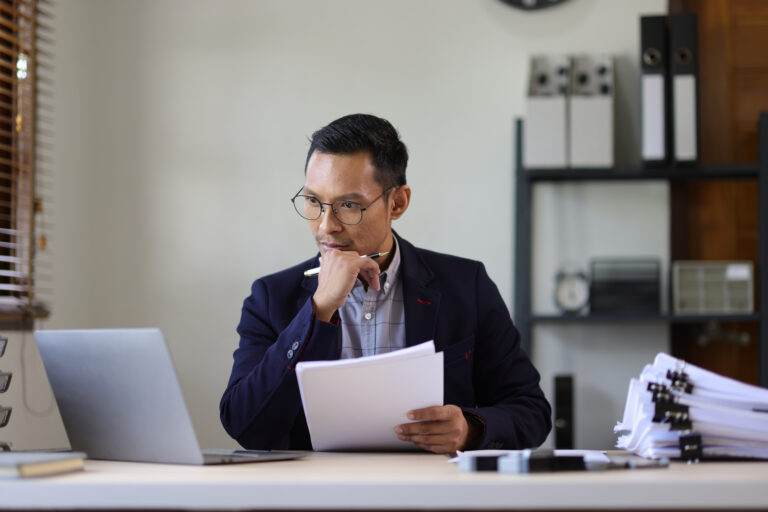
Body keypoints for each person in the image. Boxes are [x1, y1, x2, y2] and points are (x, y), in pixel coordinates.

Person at [220, 114, 551, 454]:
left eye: (348, 205)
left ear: (397, 203)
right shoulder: (272, 297)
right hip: (315, 498)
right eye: (314, 202)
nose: (325, 226)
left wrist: (471, 429)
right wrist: (318, 311)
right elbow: (245, 426)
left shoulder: (466, 286)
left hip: (432, 497)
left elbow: (531, 411)